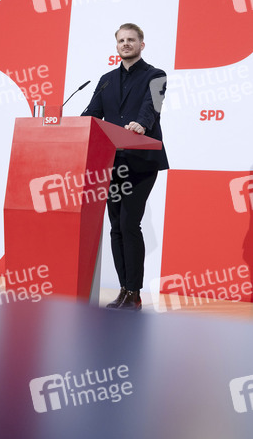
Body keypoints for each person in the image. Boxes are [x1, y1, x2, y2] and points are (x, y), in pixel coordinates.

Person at [83, 23, 168, 310]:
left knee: (130, 223)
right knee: (116, 226)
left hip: (141, 161)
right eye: (121, 40)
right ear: (116, 45)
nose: (126, 44)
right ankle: (123, 290)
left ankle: (134, 292)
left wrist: (141, 124)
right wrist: (74, 125)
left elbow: (151, 107)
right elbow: (92, 113)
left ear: (141, 44)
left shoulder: (156, 75)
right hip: (112, 162)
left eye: (131, 40)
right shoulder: (106, 80)